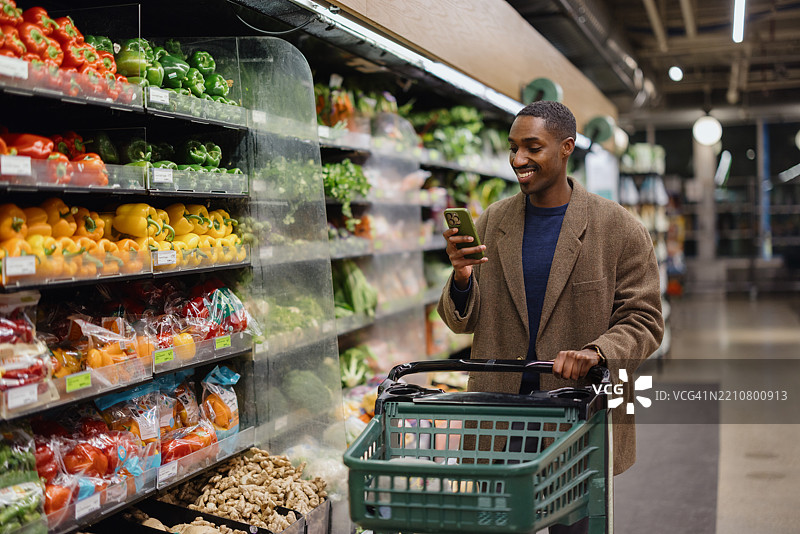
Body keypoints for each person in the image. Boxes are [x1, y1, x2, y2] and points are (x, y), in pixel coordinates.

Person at [437, 101, 664, 533]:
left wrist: (598, 352)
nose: (518, 159)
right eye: (513, 147)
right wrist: (462, 275)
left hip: (576, 417)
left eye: (532, 147)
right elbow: (460, 321)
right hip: (499, 419)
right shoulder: (492, 222)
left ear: (566, 148)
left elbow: (644, 318)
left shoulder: (618, 228)